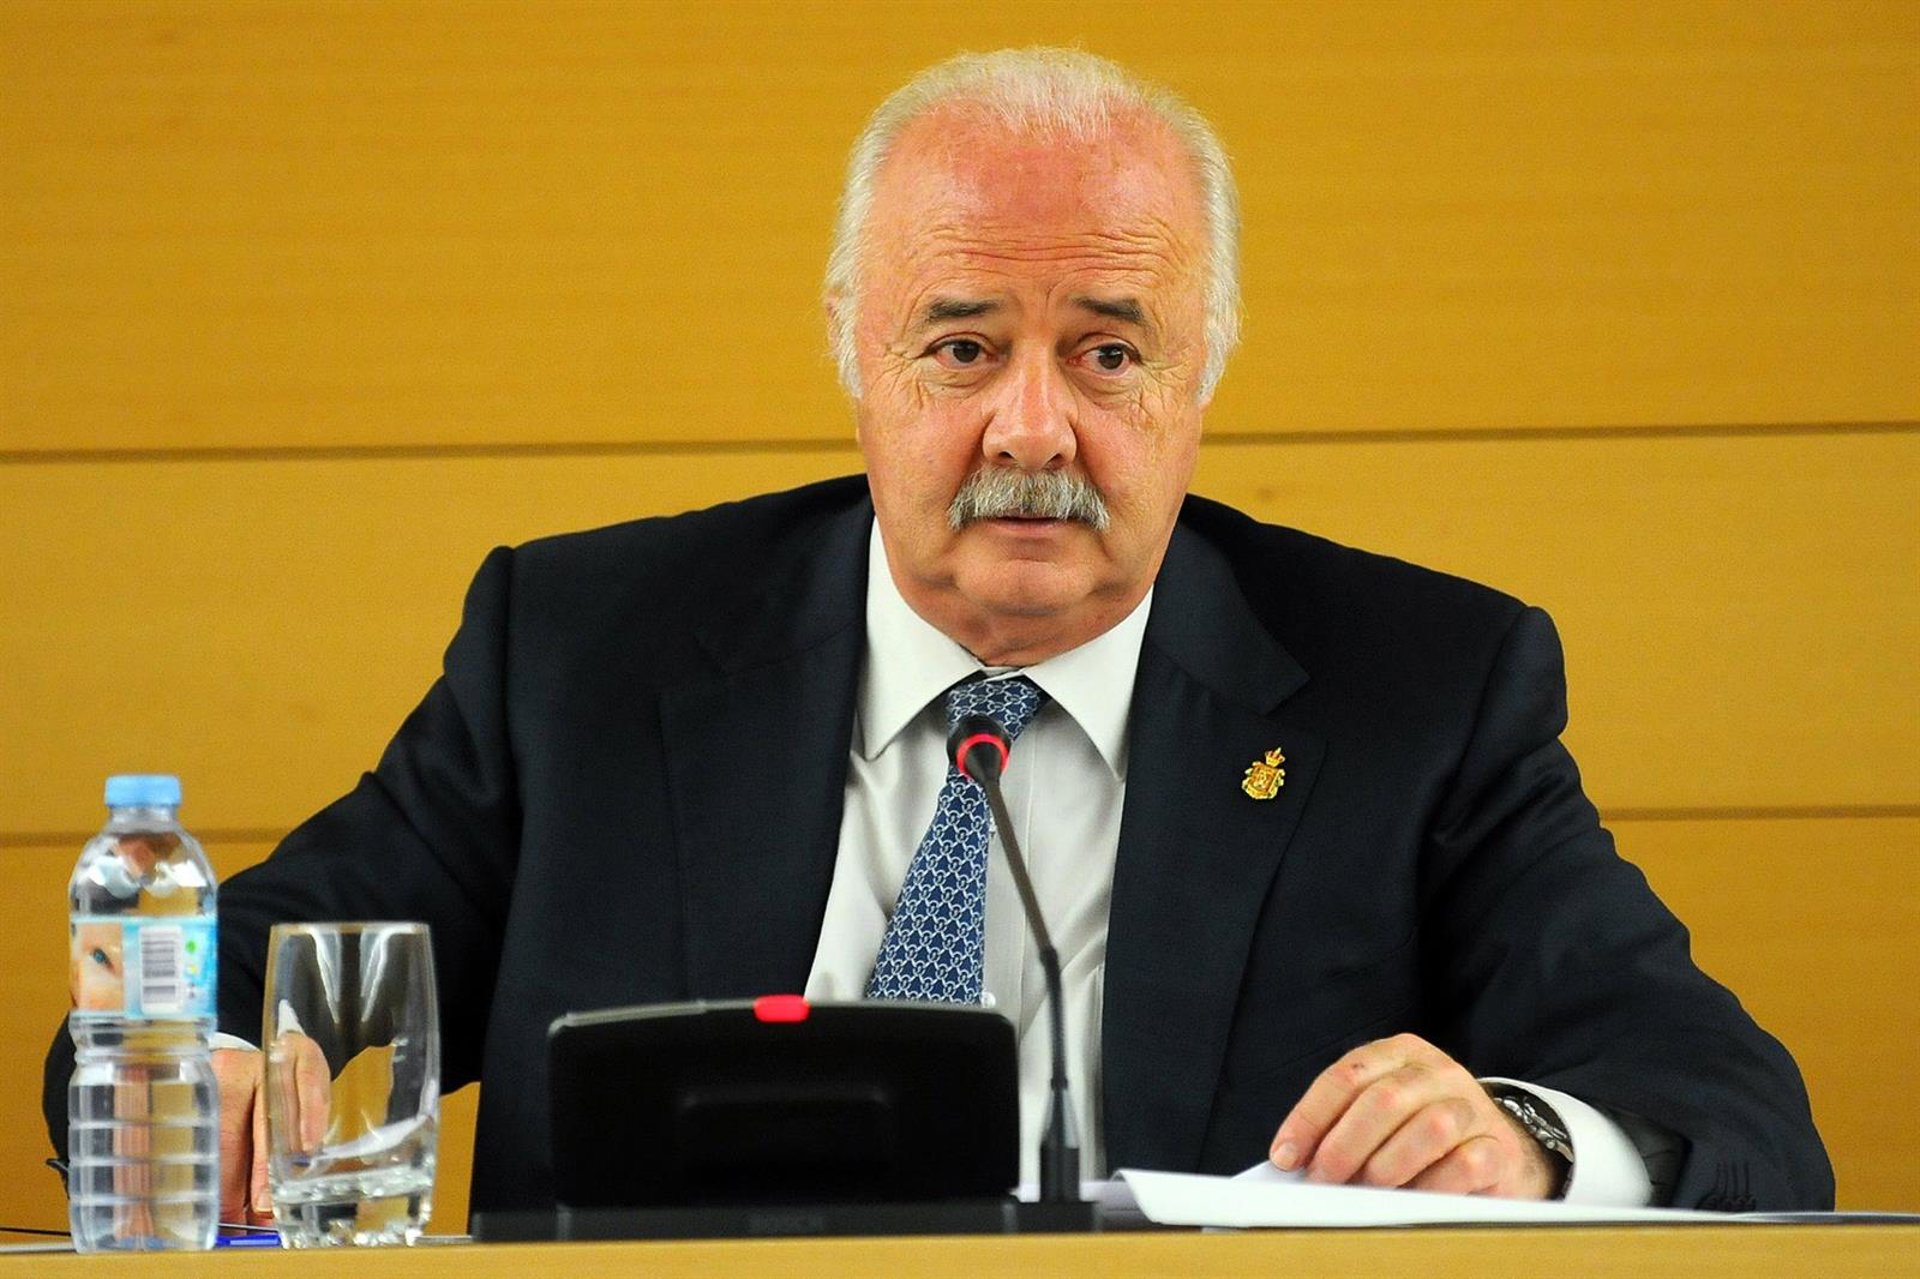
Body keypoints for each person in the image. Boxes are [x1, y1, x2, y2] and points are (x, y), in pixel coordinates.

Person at [46, 47, 1832, 1222]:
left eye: (1110, 352)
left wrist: (1526, 1141)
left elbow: (1728, 1106)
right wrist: (188, 1070)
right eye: (963, 346)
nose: (1032, 429)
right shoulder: (587, 654)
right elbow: (223, 980)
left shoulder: (1415, 693)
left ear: (1204, 376)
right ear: (853, 351)